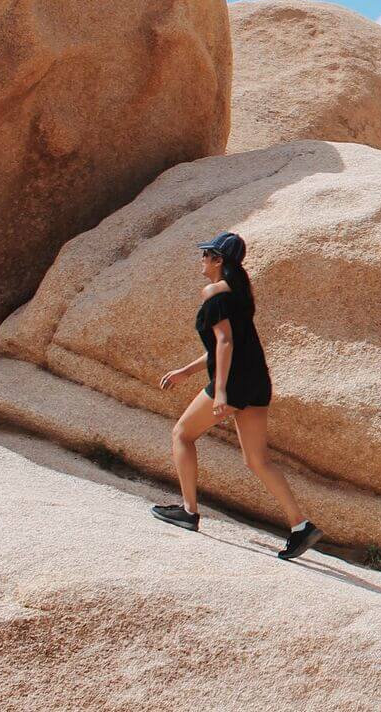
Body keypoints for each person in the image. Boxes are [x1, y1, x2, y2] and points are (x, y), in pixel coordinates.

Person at [150, 231, 324, 561]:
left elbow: (225, 343)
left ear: (219, 261)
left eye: (207, 254)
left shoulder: (213, 292)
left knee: (182, 435)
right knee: (257, 461)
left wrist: (220, 391)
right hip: (257, 382)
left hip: (235, 384)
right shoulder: (240, 292)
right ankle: (300, 527)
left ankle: (188, 511)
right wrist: (186, 372)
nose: (201, 259)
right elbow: (226, 345)